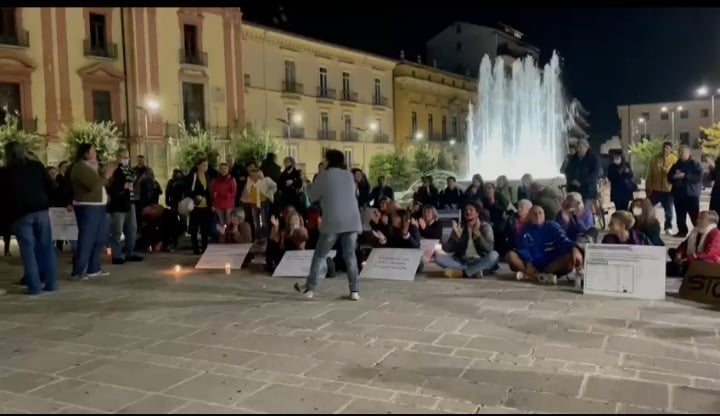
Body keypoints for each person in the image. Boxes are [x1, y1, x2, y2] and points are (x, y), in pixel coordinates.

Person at [295, 149, 362, 300]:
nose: (323, 162)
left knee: (320, 255)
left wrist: (306, 183)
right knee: (350, 255)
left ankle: (310, 288)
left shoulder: (324, 176)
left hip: (333, 220)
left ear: (329, 161)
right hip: (352, 220)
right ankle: (354, 291)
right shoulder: (348, 175)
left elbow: (312, 196)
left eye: (324, 159)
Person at [5, 142, 57, 295]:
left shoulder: (7, 172)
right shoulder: (37, 167)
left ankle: (34, 287)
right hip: (41, 210)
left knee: (28, 252)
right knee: (47, 248)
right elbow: (50, 186)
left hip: (21, 215)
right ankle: (51, 284)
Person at [70, 143, 116, 279]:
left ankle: (93, 268)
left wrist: (106, 174)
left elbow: (103, 184)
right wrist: (106, 175)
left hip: (100, 206)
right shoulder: (79, 168)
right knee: (86, 239)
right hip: (87, 206)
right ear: (85, 153)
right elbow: (94, 185)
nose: (95, 152)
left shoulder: (94, 167)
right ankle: (78, 271)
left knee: (100, 238)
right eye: (92, 150)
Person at [506, 206, 583, 285]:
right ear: (529, 217)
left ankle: (538, 275)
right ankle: (537, 275)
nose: (537, 215)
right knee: (510, 256)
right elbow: (522, 248)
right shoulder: (525, 230)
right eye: (534, 214)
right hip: (531, 265)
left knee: (570, 258)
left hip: (552, 265)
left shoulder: (552, 226)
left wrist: (574, 249)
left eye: (540, 213)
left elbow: (563, 240)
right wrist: (528, 262)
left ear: (544, 215)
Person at [435, 202, 499, 279]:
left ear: (477, 214)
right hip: (463, 262)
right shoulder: (461, 227)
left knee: (494, 255)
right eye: (466, 210)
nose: (468, 212)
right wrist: (454, 238)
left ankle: (464, 273)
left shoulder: (485, 227)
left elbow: (489, 248)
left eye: (471, 210)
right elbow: (447, 249)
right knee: (438, 258)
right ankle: (475, 271)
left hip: (480, 260)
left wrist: (479, 237)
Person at [107, 148, 142, 265]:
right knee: (117, 231)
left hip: (130, 203)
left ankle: (129, 252)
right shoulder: (114, 171)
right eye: (123, 157)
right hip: (118, 205)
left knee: (132, 229)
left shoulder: (129, 170)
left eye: (127, 157)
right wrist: (123, 187)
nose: (126, 159)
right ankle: (116, 255)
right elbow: (111, 187)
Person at [667, 210, 720, 276]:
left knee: (701, 262)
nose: (697, 220)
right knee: (672, 251)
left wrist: (689, 258)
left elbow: (709, 253)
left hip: (704, 261)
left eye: (701, 219)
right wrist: (679, 254)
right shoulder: (696, 231)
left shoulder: (715, 233)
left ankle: (682, 268)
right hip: (690, 259)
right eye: (698, 218)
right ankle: (681, 267)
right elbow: (684, 244)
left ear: (710, 222)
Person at [667, 144, 702, 238]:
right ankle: (682, 231)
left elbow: (698, 177)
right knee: (680, 215)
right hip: (678, 194)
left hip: (691, 194)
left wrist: (685, 176)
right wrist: (674, 177)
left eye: (683, 152)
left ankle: (699, 233)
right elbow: (669, 177)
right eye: (679, 152)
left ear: (688, 153)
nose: (681, 154)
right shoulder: (676, 165)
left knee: (694, 215)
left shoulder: (694, 164)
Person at [646, 141, 677, 234]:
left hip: (668, 190)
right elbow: (650, 173)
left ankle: (668, 227)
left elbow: (673, 174)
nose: (665, 150)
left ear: (671, 149)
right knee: (648, 207)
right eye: (664, 147)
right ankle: (648, 225)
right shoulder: (655, 159)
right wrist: (648, 186)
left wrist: (666, 170)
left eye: (667, 148)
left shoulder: (674, 160)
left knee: (668, 211)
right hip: (655, 189)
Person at [564, 138, 600, 214]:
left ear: (587, 147)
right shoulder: (573, 159)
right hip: (574, 190)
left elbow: (594, 174)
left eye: (581, 147)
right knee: (575, 212)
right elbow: (567, 171)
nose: (578, 149)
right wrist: (572, 180)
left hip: (588, 190)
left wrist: (581, 182)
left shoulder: (593, 159)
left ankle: (588, 225)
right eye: (577, 147)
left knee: (586, 212)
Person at [186, 157, 213, 254]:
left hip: (206, 206)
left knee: (205, 228)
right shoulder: (193, 176)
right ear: (198, 166)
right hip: (195, 206)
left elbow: (210, 191)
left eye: (206, 165)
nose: (205, 167)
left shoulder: (207, 176)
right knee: (194, 227)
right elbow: (188, 190)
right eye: (203, 165)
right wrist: (195, 196)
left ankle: (205, 247)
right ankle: (195, 247)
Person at [212, 162, 238, 227]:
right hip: (219, 203)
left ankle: (229, 236)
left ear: (228, 169)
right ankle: (223, 235)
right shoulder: (215, 180)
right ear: (219, 170)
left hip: (228, 203)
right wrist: (213, 204)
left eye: (225, 168)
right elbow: (214, 192)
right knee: (221, 222)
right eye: (221, 169)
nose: (223, 170)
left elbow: (234, 192)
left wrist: (227, 195)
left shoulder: (232, 179)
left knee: (229, 221)